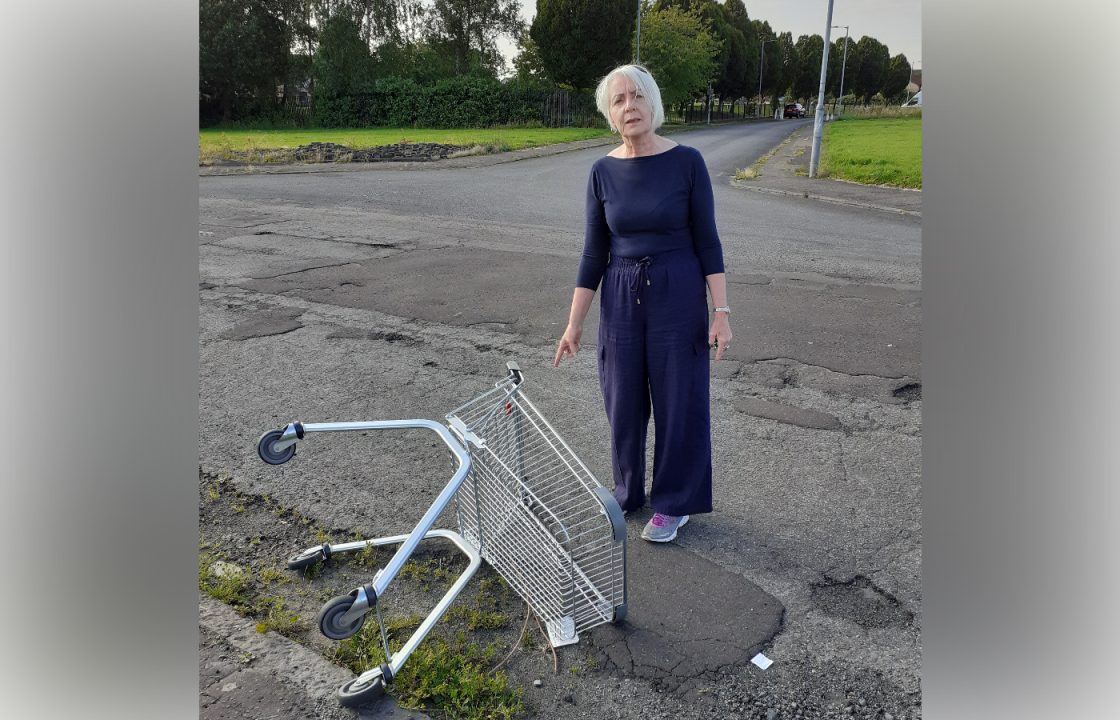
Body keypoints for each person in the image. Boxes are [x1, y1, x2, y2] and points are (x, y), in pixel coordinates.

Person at [552, 64, 732, 543]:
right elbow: (594, 252)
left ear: (653, 103)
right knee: (623, 398)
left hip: (678, 292)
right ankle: (628, 490)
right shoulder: (602, 172)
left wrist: (721, 313)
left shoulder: (687, 162)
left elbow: (708, 242)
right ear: (610, 114)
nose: (629, 106)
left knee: (679, 399)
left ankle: (674, 503)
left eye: (637, 96)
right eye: (619, 100)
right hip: (621, 297)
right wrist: (573, 326)